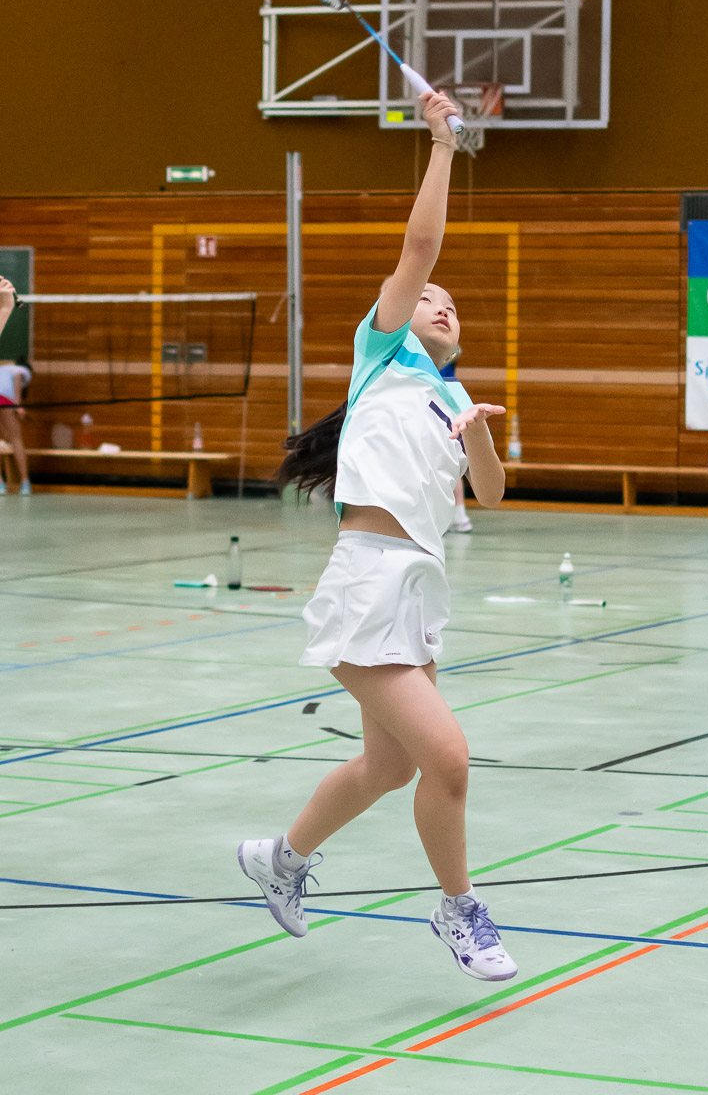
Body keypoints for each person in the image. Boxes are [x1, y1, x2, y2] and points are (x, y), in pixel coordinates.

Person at [239, 91, 517, 982]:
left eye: (448, 303)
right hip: (365, 580)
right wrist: (441, 144)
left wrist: (477, 433)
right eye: (426, 297)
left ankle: (279, 858)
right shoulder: (382, 354)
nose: (437, 300)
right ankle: (458, 909)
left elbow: (490, 491)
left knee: (389, 767)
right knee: (448, 759)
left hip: (418, 589)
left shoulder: (447, 396)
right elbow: (420, 246)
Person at [440, 346, 473, 533]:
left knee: (447, 462)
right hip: (445, 405)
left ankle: (457, 516)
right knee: (450, 462)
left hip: (444, 406)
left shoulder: (438, 353)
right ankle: (458, 515)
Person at [0, 350, 32, 496]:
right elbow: (17, 384)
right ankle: (25, 482)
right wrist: (19, 407)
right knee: (16, 439)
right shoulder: (22, 372)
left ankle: (0, 484)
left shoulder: (5, 368)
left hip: (4, 400)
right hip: (5, 401)